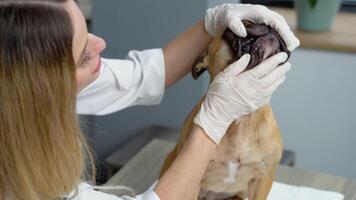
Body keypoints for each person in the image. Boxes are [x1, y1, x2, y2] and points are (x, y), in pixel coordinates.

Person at [0, 0, 299, 200]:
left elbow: (144, 75)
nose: (101, 43)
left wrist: (212, 22)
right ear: (41, 86)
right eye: (82, 54)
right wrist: (213, 121)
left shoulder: (23, 91)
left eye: (88, 32)